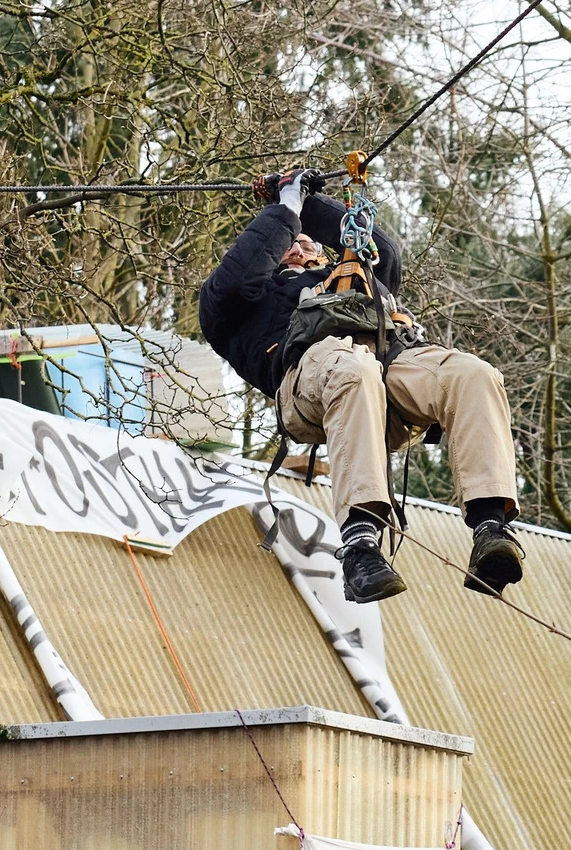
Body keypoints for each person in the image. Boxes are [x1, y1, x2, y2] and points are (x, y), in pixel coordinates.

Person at [197, 169, 525, 603]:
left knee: (473, 374)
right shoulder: (235, 303)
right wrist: (285, 208)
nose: (299, 244)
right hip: (311, 383)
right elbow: (240, 275)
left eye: (307, 240)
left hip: (389, 376)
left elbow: (381, 247)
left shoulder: (352, 276)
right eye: (287, 242)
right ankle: (359, 544)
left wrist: (306, 202)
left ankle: (490, 526)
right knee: (355, 371)